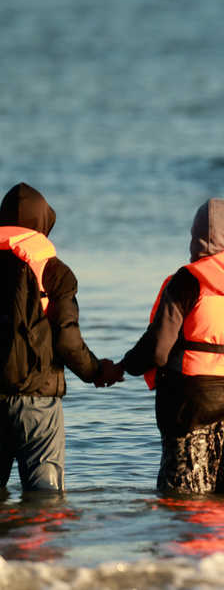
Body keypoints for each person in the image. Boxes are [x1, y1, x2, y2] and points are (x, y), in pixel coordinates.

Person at [119, 199, 224, 493]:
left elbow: (158, 348)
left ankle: (191, 540)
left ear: (195, 235)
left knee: (184, 496)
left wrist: (121, 367)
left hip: (193, 396)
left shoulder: (187, 279)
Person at [0, 183, 121, 492]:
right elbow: (67, 341)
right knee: (45, 504)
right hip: (37, 403)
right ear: (43, 222)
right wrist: (96, 371)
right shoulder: (54, 271)